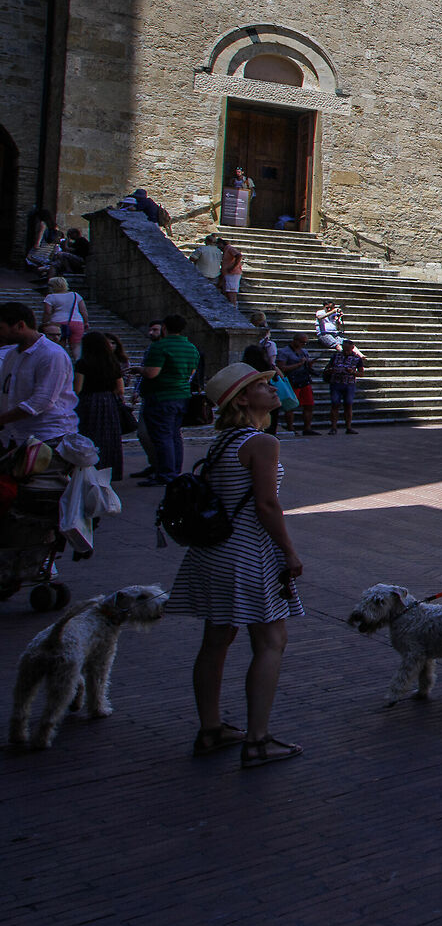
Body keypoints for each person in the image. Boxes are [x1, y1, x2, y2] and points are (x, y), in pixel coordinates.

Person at [169, 362, 304, 766]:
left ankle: (211, 729)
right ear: (242, 399)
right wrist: (289, 551)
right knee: (271, 640)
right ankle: (258, 740)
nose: (273, 388)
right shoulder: (262, 443)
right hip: (249, 552)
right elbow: (267, 505)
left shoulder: (223, 441)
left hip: (213, 551)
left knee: (216, 639)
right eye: (262, 385)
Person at [0, 303, 81, 455]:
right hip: (14, 435)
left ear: (20, 325)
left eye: (1, 329)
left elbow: (41, 401)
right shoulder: (12, 354)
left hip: (47, 436)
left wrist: (2, 419)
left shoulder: (51, 354)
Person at [134, 315, 202, 483]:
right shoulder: (191, 347)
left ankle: (165, 473)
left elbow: (152, 372)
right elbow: (192, 372)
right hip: (182, 395)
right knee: (174, 435)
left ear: (164, 327)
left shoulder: (160, 346)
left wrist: (139, 369)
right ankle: (174, 469)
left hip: (161, 395)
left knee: (162, 436)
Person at [74, 331, 130, 481]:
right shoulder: (112, 363)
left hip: (89, 402)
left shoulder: (83, 363)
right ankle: (110, 470)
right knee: (109, 437)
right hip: (108, 402)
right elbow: (120, 389)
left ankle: (90, 469)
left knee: (89, 434)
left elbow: (77, 388)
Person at [273, 333, 318, 436]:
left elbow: (307, 365)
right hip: (292, 381)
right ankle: (290, 427)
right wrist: (299, 364)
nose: (303, 344)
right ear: (295, 340)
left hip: (304, 380)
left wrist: (309, 364)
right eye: (302, 342)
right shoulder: (284, 352)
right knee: (291, 406)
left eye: (305, 343)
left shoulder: (304, 351)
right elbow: (282, 368)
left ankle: (307, 428)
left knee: (309, 405)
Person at [322, 340, 365, 434]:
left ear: (352, 348)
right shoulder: (335, 356)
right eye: (344, 349)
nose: (346, 352)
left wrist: (352, 372)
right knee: (335, 404)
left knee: (348, 405)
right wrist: (330, 371)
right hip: (336, 383)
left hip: (349, 383)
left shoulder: (357, 358)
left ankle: (348, 427)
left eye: (348, 350)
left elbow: (361, 373)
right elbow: (327, 369)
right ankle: (333, 427)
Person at [40, 278, 86, 359]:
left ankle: (60, 360)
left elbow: (47, 312)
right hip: (77, 322)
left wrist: (44, 322)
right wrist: (86, 322)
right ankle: (78, 362)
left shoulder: (50, 297)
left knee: (60, 345)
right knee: (76, 345)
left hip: (58, 323)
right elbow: (83, 311)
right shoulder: (75, 295)